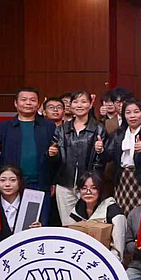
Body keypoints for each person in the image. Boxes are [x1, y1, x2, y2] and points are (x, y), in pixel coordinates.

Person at [0, 87, 55, 224]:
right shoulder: (3, 127)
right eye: (24, 100)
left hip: (39, 184)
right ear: (16, 103)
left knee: (38, 225)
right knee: (11, 224)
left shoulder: (48, 126)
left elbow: (56, 156)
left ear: (38, 104)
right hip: (12, 185)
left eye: (32, 100)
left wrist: (54, 155)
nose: (28, 103)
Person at [51, 90, 106, 225]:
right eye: (75, 102)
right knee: (67, 223)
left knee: (89, 223)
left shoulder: (99, 129)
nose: (79, 105)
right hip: (64, 183)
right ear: (70, 105)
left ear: (90, 104)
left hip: (89, 185)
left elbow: (103, 161)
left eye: (83, 101)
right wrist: (52, 154)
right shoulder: (62, 129)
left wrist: (100, 151)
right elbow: (55, 160)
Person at [103, 98, 141, 216]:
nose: (132, 116)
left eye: (136, 112)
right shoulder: (119, 134)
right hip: (122, 179)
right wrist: (100, 149)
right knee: (121, 213)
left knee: (140, 214)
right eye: (128, 113)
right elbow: (108, 156)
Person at [69, 171, 127, 261]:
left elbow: (118, 250)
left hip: (107, 259)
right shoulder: (77, 210)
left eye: (94, 188)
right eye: (84, 188)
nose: (88, 192)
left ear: (100, 190)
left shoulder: (114, 212)